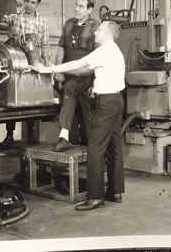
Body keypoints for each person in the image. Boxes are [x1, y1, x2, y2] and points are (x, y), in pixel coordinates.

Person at [33, 21, 126, 211]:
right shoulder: (115, 50)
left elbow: (79, 63)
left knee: (95, 149)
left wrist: (47, 69)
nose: (95, 32)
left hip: (106, 104)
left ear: (107, 33)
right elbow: (84, 69)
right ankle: (115, 192)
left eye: (99, 29)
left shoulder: (104, 50)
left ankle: (95, 197)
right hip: (117, 101)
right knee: (114, 147)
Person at [0, 0, 51, 146]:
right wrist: (3, 8)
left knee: (31, 95)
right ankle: (9, 134)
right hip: (14, 57)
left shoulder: (42, 22)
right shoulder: (14, 17)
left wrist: (48, 65)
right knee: (12, 96)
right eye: (27, 1)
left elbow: (45, 44)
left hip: (32, 57)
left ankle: (31, 132)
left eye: (33, 3)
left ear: (38, 4)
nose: (29, 5)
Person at [52, 0, 99, 152]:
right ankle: (88, 142)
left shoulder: (95, 26)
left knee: (70, 89)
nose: (76, 9)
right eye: (76, 5)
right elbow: (61, 47)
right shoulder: (68, 24)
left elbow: (99, 55)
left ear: (89, 9)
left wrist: (95, 82)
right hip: (68, 72)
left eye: (81, 6)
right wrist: (58, 68)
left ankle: (63, 136)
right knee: (82, 108)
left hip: (86, 74)